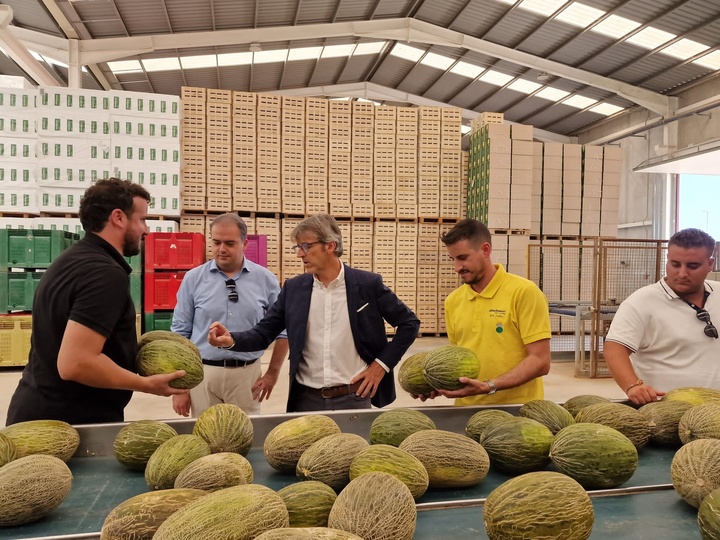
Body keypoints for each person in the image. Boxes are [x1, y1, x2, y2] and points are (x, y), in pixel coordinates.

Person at [6, 178, 187, 426]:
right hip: (65, 422)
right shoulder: (104, 274)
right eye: (142, 219)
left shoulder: (70, 260)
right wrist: (145, 384)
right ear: (118, 218)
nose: (146, 230)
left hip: (40, 409)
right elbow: (75, 363)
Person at [208, 213, 420, 412]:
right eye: (298, 247)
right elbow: (263, 333)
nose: (300, 253)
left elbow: (409, 323)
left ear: (330, 245)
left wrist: (380, 366)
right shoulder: (294, 289)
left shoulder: (367, 285)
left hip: (354, 396)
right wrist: (231, 340)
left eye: (306, 246)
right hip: (305, 400)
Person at [420, 218, 551, 405]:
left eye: (463, 258)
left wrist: (489, 386)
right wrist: (434, 383)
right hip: (466, 412)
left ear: (485, 250)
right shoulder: (453, 301)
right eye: (453, 259)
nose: (457, 268)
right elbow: (458, 362)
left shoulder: (524, 293)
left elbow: (540, 361)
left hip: (516, 413)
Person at [171, 213, 289, 417]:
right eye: (216, 242)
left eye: (229, 243)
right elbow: (180, 333)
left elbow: (284, 330)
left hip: (246, 376)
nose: (222, 249)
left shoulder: (265, 279)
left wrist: (272, 373)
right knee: (204, 437)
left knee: (245, 436)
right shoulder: (193, 279)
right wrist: (181, 388)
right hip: (203, 375)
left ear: (245, 244)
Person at [605, 228, 720, 405]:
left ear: (710, 264)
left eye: (692, 266)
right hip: (664, 413)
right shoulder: (641, 302)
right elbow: (614, 348)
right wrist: (632, 386)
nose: (682, 273)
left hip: (713, 412)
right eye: (675, 264)